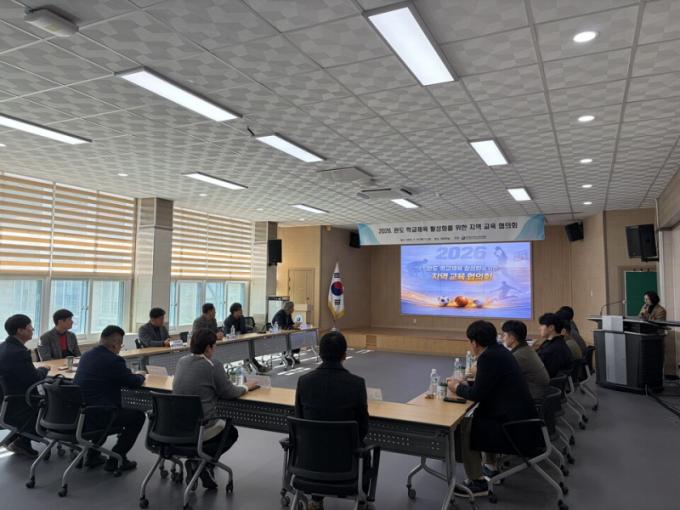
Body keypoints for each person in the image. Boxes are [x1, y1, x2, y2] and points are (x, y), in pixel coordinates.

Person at [448, 321, 537, 496]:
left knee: (467, 426)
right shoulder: (499, 351)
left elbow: (477, 394)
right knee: (480, 417)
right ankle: (490, 466)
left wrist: (456, 387)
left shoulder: (488, 358)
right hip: (521, 416)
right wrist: (466, 386)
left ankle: (477, 482)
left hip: (512, 425)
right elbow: (486, 386)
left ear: (475, 343)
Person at [295, 331, 376, 510]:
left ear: (320, 353)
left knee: (318, 439)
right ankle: (362, 500)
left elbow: (299, 421)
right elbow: (363, 428)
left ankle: (316, 499)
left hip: (309, 464)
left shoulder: (304, 381)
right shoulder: (356, 384)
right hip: (346, 466)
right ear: (344, 355)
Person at [173, 328, 258, 489]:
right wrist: (247, 387)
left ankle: (198, 461)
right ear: (208, 348)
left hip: (178, 425)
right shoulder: (213, 365)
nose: (215, 349)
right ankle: (204, 463)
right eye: (215, 345)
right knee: (230, 432)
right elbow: (228, 392)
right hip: (202, 425)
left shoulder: (181, 361)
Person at [73, 325, 146, 471]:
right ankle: (117, 458)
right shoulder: (113, 360)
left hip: (81, 413)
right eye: (120, 345)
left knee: (108, 407)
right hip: (98, 415)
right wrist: (141, 375)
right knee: (138, 416)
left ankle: (93, 455)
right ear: (114, 344)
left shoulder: (86, 355)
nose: (119, 349)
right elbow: (132, 382)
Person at [0, 315, 49, 457]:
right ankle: (22, 441)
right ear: (20, 331)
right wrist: (44, 369)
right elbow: (34, 378)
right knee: (51, 401)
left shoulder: (3, 347)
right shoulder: (19, 353)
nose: (32, 329)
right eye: (30, 326)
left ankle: (17, 439)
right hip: (19, 404)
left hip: (5, 401)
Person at [500, 320, 550, 399]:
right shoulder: (526, 349)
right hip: (538, 392)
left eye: (504, 335)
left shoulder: (519, 356)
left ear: (512, 338)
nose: (502, 338)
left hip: (533, 396)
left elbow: (501, 376)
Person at [224, 303, 270, 373]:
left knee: (249, 349)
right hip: (232, 344)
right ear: (234, 311)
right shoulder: (228, 321)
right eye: (240, 310)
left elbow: (244, 331)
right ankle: (257, 367)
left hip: (242, 342)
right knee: (247, 350)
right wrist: (238, 333)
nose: (241, 311)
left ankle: (255, 366)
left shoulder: (242, 318)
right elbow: (227, 334)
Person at [536, 313, 573, 378]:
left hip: (545, 382)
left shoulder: (553, 350)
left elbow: (543, 373)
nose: (539, 328)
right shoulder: (557, 342)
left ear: (551, 327)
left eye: (542, 325)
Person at [272, 301, 299, 366]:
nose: (293, 309)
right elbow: (281, 326)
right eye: (292, 307)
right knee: (288, 341)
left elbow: (291, 323)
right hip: (277, 335)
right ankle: (286, 357)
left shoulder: (288, 314)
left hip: (286, 334)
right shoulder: (280, 314)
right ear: (289, 308)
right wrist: (292, 326)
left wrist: (296, 325)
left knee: (296, 339)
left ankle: (290, 356)